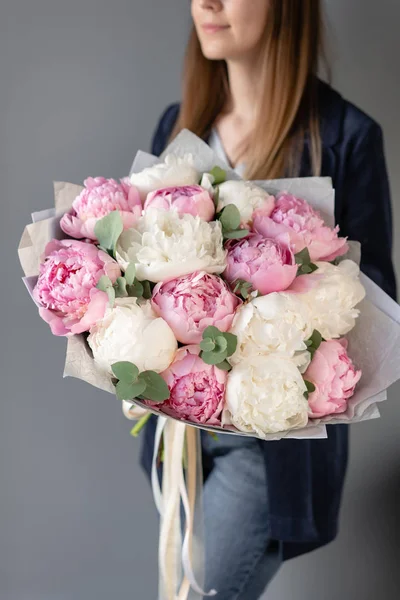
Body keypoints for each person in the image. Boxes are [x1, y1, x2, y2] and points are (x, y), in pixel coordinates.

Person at [140, 1, 397, 598]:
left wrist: (282, 309)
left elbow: (369, 312)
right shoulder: (178, 127)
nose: (207, 3)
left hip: (269, 454)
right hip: (180, 445)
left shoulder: (345, 138)